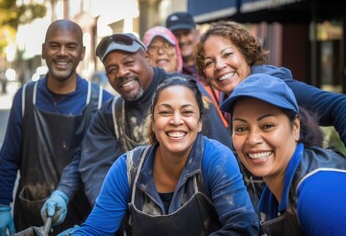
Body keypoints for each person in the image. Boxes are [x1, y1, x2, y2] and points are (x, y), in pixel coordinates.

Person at [73, 76, 259, 235]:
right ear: (153, 122)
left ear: (200, 122)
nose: (176, 121)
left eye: (186, 112)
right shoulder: (127, 169)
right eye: (165, 112)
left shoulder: (216, 159)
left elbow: (242, 226)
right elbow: (96, 231)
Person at [194, 20, 346, 210]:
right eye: (209, 62)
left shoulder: (275, 87)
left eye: (227, 54)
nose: (219, 65)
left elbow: (340, 106)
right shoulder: (230, 99)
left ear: (246, 55)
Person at [79, 32, 232, 209]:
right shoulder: (109, 115)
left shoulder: (187, 93)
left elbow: (222, 158)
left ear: (148, 58)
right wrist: (109, 213)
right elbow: (95, 169)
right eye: (112, 70)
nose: (121, 72)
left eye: (129, 63)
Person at [0, 19, 114, 235]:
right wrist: (1, 206)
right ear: (43, 50)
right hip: (30, 215)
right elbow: (9, 158)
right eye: (55, 45)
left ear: (83, 52)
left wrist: (100, 222)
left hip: (83, 221)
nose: (62, 53)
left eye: (71, 46)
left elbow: (108, 171)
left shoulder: (101, 102)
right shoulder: (25, 98)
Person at [220, 73, 346, 236]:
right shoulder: (273, 191)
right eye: (241, 129)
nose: (252, 140)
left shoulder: (317, 192)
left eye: (267, 126)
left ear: (295, 127)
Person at [166, 12, 226, 127]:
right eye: (176, 35)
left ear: (197, 33)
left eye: (186, 33)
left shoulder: (213, 63)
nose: (182, 40)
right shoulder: (170, 73)